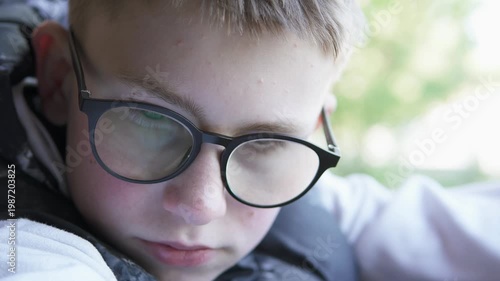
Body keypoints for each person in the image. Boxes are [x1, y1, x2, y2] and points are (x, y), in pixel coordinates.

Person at [0, 1, 499, 281]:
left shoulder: (300, 182)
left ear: (312, 130)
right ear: (59, 79)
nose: (201, 206)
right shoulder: (23, 246)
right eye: (152, 122)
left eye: (264, 143)